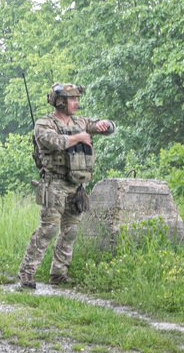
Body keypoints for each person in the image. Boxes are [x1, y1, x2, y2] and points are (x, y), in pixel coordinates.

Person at [18, 83, 116, 288]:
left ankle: (59, 273)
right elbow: (53, 142)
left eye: (77, 99)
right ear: (60, 101)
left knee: (70, 231)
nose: (76, 103)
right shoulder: (45, 123)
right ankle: (27, 272)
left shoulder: (79, 121)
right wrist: (78, 138)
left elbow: (106, 128)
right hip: (54, 184)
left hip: (76, 185)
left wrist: (106, 124)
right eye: (72, 99)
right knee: (49, 229)